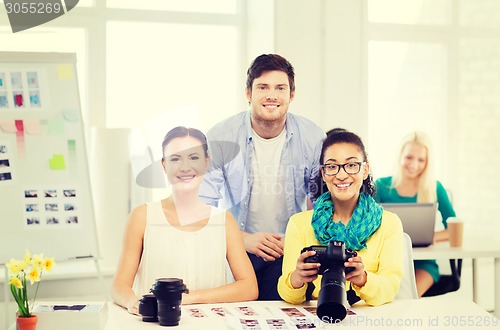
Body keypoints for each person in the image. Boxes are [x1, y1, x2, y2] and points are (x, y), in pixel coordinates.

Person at [200, 54, 325, 300]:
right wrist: (242, 239)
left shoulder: (313, 137)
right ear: (248, 93)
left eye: (280, 88)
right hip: (235, 248)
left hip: (290, 250)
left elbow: (320, 203)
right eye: (263, 87)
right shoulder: (219, 136)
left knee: (282, 317)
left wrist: (297, 238)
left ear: (291, 95)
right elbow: (203, 205)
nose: (272, 95)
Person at [111, 126, 258, 315]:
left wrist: (188, 298)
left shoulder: (224, 221)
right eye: (175, 158)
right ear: (164, 165)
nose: (185, 167)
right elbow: (119, 285)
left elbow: (249, 287)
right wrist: (132, 302)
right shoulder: (142, 216)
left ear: (207, 162)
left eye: (194, 157)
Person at [278, 129, 403, 306]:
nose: (342, 175)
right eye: (331, 166)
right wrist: (297, 278)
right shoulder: (299, 224)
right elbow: (288, 295)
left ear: (365, 170)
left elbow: (390, 288)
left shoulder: (389, 223)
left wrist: (363, 278)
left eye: (351, 165)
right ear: (323, 173)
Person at [374, 131, 456, 297]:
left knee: (407, 298)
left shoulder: (434, 187)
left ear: (427, 163)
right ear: (400, 156)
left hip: (423, 265)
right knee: (384, 299)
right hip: (386, 262)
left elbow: (453, 228)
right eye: (409, 157)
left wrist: (433, 237)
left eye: (421, 160)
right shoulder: (381, 186)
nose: (414, 164)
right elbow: (368, 225)